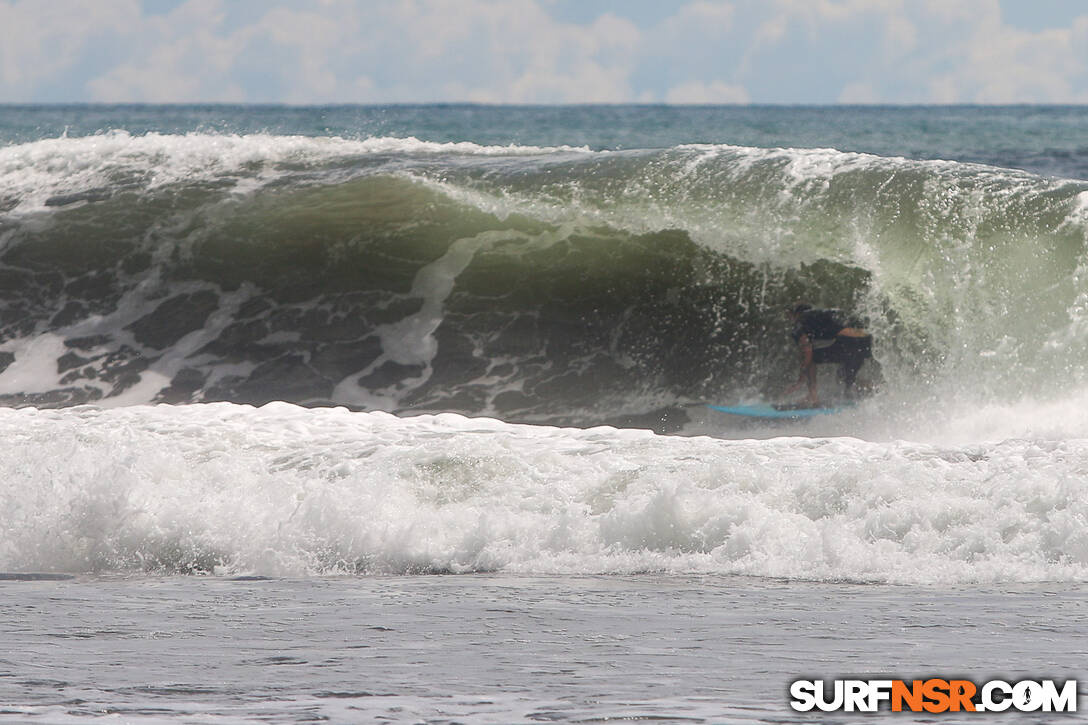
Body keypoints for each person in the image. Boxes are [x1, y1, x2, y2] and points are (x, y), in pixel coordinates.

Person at [783, 303, 872, 406]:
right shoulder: (822, 314)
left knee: (811, 358)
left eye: (788, 314)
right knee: (845, 378)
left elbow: (807, 354)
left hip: (851, 343)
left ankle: (812, 396)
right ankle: (874, 389)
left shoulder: (800, 323)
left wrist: (800, 380)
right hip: (866, 342)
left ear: (795, 314)